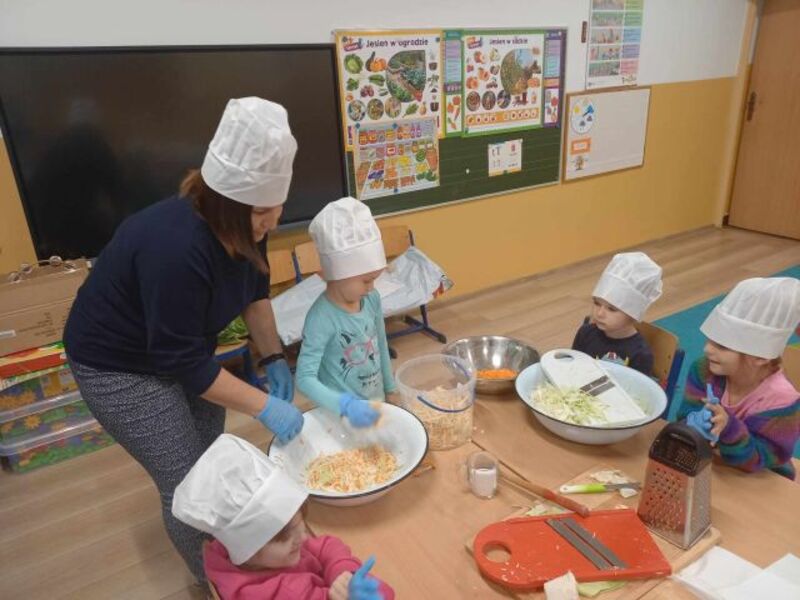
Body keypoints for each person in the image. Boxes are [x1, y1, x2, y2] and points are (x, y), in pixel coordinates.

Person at [63, 97, 303, 582]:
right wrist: (263, 406)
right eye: (263, 213)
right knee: (189, 484)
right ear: (225, 203)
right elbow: (185, 364)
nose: (272, 224)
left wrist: (274, 356)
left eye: (277, 210)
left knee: (211, 459)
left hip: (179, 348)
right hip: (117, 365)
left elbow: (255, 292)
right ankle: (216, 584)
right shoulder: (176, 248)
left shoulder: (247, 225)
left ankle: (235, 557)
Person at [172, 433, 394, 600]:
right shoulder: (288, 593)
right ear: (250, 549)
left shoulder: (237, 550)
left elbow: (325, 545)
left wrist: (342, 574)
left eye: (300, 525)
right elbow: (385, 594)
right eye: (287, 537)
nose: (303, 538)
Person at [679, 277, 800, 480]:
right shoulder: (704, 369)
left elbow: (761, 459)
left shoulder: (782, 402)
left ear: (760, 357)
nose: (707, 349)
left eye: (722, 346)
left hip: (763, 478)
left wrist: (728, 428)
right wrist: (695, 422)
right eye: (710, 340)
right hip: (713, 466)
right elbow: (685, 417)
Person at [295, 197, 396, 427]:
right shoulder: (321, 318)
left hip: (376, 403)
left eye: (374, 279)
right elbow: (304, 379)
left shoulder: (371, 299)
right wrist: (344, 405)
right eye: (366, 280)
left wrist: (390, 389)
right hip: (338, 415)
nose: (371, 287)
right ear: (335, 274)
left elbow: (381, 343)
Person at [572, 252, 663, 375]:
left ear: (633, 314)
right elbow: (572, 368)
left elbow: (635, 386)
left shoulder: (640, 354)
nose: (599, 313)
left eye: (611, 309)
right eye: (597, 303)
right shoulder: (585, 333)